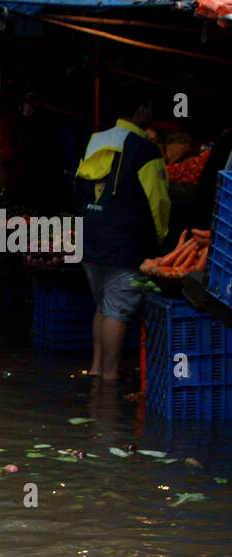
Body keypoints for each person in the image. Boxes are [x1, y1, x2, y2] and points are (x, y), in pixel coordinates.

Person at [75, 85, 171, 381]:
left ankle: (96, 369)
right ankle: (110, 378)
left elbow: (78, 188)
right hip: (124, 242)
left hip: (90, 237)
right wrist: (161, 238)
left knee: (103, 305)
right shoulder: (145, 149)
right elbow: (158, 201)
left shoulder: (95, 141)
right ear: (141, 111)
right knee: (118, 309)